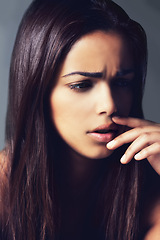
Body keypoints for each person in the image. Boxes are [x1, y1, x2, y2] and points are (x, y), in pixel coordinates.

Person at [0, 0, 160, 239]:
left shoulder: (147, 188)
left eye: (122, 82)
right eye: (82, 85)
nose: (110, 105)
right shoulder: (5, 187)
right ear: (38, 92)